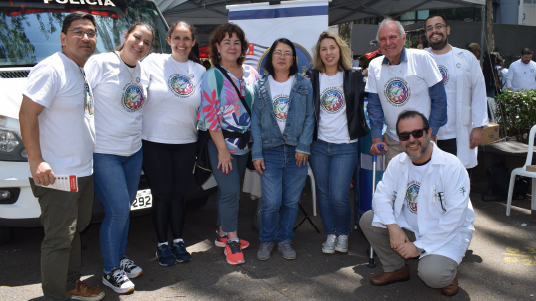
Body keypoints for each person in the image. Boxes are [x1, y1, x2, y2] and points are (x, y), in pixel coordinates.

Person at [19, 12, 105, 301]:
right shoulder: (51, 68)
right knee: (59, 238)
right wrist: (36, 160)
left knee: (75, 232)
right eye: (79, 32)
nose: (86, 38)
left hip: (82, 170)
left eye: (91, 33)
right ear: (63, 37)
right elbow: (27, 115)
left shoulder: (79, 68)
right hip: (57, 173)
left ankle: (71, 284)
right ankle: (56, 295)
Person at [359, 110, 475, 297]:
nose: (411, 139)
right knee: (368, 220)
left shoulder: (452, 166)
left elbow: (455, 217)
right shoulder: (398, 162)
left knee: (432, 275)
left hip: (446, 232)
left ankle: (449, 272)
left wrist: (419, 246)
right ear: (399, 139)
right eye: (404, 136)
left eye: (417, 133)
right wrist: (393, 227)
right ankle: (396, 268)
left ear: (429, 132)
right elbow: (381, 196)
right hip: (411, 226)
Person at [84, 21, 154, 294]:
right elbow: (80, 101)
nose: (141, 44)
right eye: (137, 37)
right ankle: (110, 270)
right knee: (117, 211)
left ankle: (121, 259)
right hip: (104, 152)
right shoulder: (99, 63)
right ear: (125, 36)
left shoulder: (143, 70)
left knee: (125, 208)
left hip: (133, 151)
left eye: (147, 42)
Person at [140, 21, 205, 267]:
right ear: (168, 40)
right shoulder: (153, 61)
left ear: (192, 41)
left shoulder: (198, 70)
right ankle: (161, 244)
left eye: (186, 38)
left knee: (179, 194)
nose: (181, 43)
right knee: (162, 193)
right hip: (154, 140)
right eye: (176, 37)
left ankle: (178, 240)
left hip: (186, 141)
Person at [197, 23, 259, 265]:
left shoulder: (252, 73)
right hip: (220, 143)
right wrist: (222, 150)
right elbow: (210, 115)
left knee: (227, 190)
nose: (232, 47)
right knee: (232, 192)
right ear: (217, 47)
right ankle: (232, 241)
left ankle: (222, 232)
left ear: (243, 47)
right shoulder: (212, 75)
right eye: (226, 42)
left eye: (236, 42)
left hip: (244, 144)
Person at [306, 31, 370, 254]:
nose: (328, 52)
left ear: (339, 49)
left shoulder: (354, 76)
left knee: (338, 195)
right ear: (319, 54)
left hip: (345, 145)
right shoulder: (312, 77)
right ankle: (330, 233)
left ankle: (343, 233)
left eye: (332, 47)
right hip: (319, 145)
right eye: (323, 49)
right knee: (323, 193)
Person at [251, 38, 314, 261]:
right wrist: (256, 153)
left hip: (297, 152)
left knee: (290, 201)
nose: (282, 57)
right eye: (278, 52)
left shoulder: (303, 84)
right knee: (271, 201)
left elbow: (309, 118)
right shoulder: (259, 85)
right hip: (270, 151)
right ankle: (267, 241)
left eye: (287, 53)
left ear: (293, 59)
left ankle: (285, 239)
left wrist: (304, 146)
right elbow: (255, 122)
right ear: (271, 57)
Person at [366, 18, 447, 167]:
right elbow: (374, 105)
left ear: (403, 38)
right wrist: (376, 138)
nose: (388, 43)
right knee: (397, 188)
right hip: (393, 142)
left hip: (421, 139)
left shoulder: (422, 58)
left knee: (425, 186)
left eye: (392, 37)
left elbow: (440, 99)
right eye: (383, 39)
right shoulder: (374, 66)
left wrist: (431, 133)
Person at [423, 14, 488, 169]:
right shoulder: (420, 57)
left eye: (439, 26)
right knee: (429, 179)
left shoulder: (466, 58)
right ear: (425, 34)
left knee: (457, 179)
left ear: (448, 30)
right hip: (429, 133)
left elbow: (479, 92)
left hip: (457, 132)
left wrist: (478, 127)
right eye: (429, 28)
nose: (434, 31)